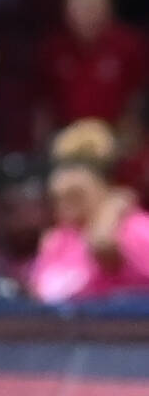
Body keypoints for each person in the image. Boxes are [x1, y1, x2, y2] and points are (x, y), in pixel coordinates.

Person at [28, 120, 149, 301]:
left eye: (75, 194)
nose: (61, 185)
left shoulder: (135, 230)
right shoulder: (59, 239)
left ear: (105, 182)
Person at [37, 0, 147, 136]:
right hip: (66, 144)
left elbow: (137, 101)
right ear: (66, 7)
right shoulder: (53, 49)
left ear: (109, 6)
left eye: (93, 3)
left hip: (117, 144)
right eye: (80, 3)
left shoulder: (129, 45)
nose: (86, 11)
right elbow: (43, 107)